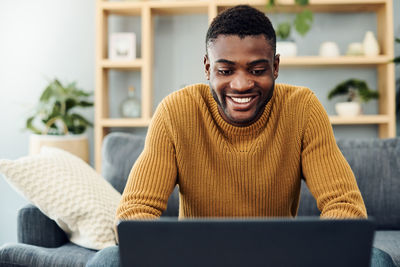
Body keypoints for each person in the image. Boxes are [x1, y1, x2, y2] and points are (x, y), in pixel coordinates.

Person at [86, 5, 396, 267]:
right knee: (108, 259)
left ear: (275, 67)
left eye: (257, 69)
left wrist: (312, 251)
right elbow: (134, 213)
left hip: (281, 260)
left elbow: (345, 207)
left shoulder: (302, 109)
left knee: (376, 259)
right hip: (193, 261)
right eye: (226, 70)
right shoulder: (175, 112)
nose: (241, 84)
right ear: (208, 69)